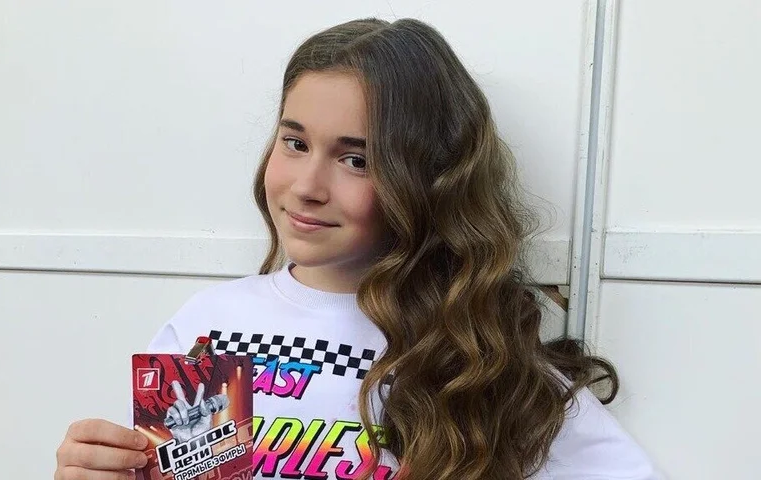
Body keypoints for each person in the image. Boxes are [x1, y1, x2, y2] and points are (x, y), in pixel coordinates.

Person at [55, 17, 661, 480]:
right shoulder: (208, 326)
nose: (307, 186)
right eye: (295, 143)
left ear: (426, 179)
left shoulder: (476, 353)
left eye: (356, 160)